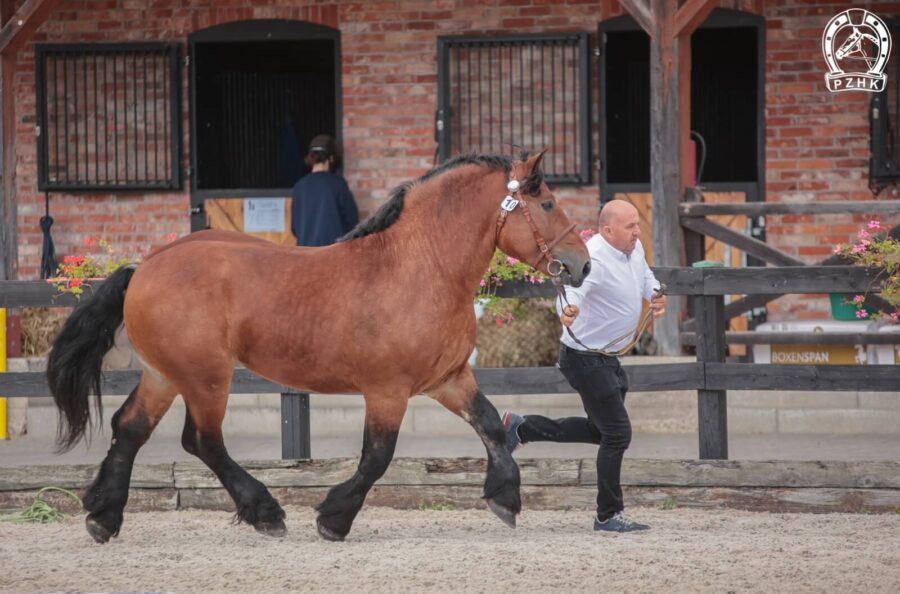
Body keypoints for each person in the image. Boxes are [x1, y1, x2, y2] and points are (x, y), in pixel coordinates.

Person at [502, 199, 667, 533]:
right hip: (584, 358)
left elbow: (645, 275)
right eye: (630, 226)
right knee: (618, 433)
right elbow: (572, 291)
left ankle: (522, 428)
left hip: (605, 357)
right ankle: (607, 514)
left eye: (637, 225)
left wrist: (655, 293)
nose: (637, 232)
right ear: (607, 231)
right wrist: (568, 311)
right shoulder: (591, 257)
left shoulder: (632, 249)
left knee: (600, 431)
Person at [291, 134, 359, 247]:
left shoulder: (299, 186)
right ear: (331, 158)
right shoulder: (338, 184)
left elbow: (294, 228)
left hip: (305, 254)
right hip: (332, 254)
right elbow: (352, 222)